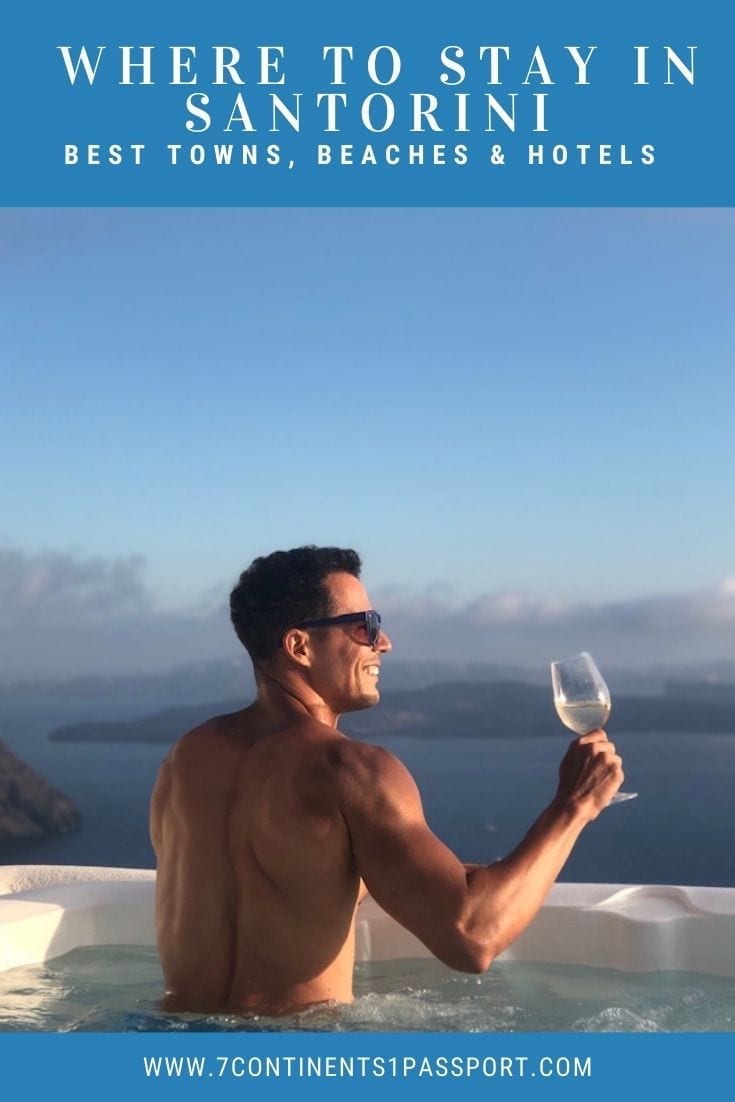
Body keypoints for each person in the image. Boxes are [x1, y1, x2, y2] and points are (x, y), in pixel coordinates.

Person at [150, 545, 623, 1017]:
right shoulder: (351, 770)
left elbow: (284, 876)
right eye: (366, 626)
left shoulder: (186, 758)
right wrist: (574, 804)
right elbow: (472, 939)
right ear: (299, 647)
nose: (384, 642)